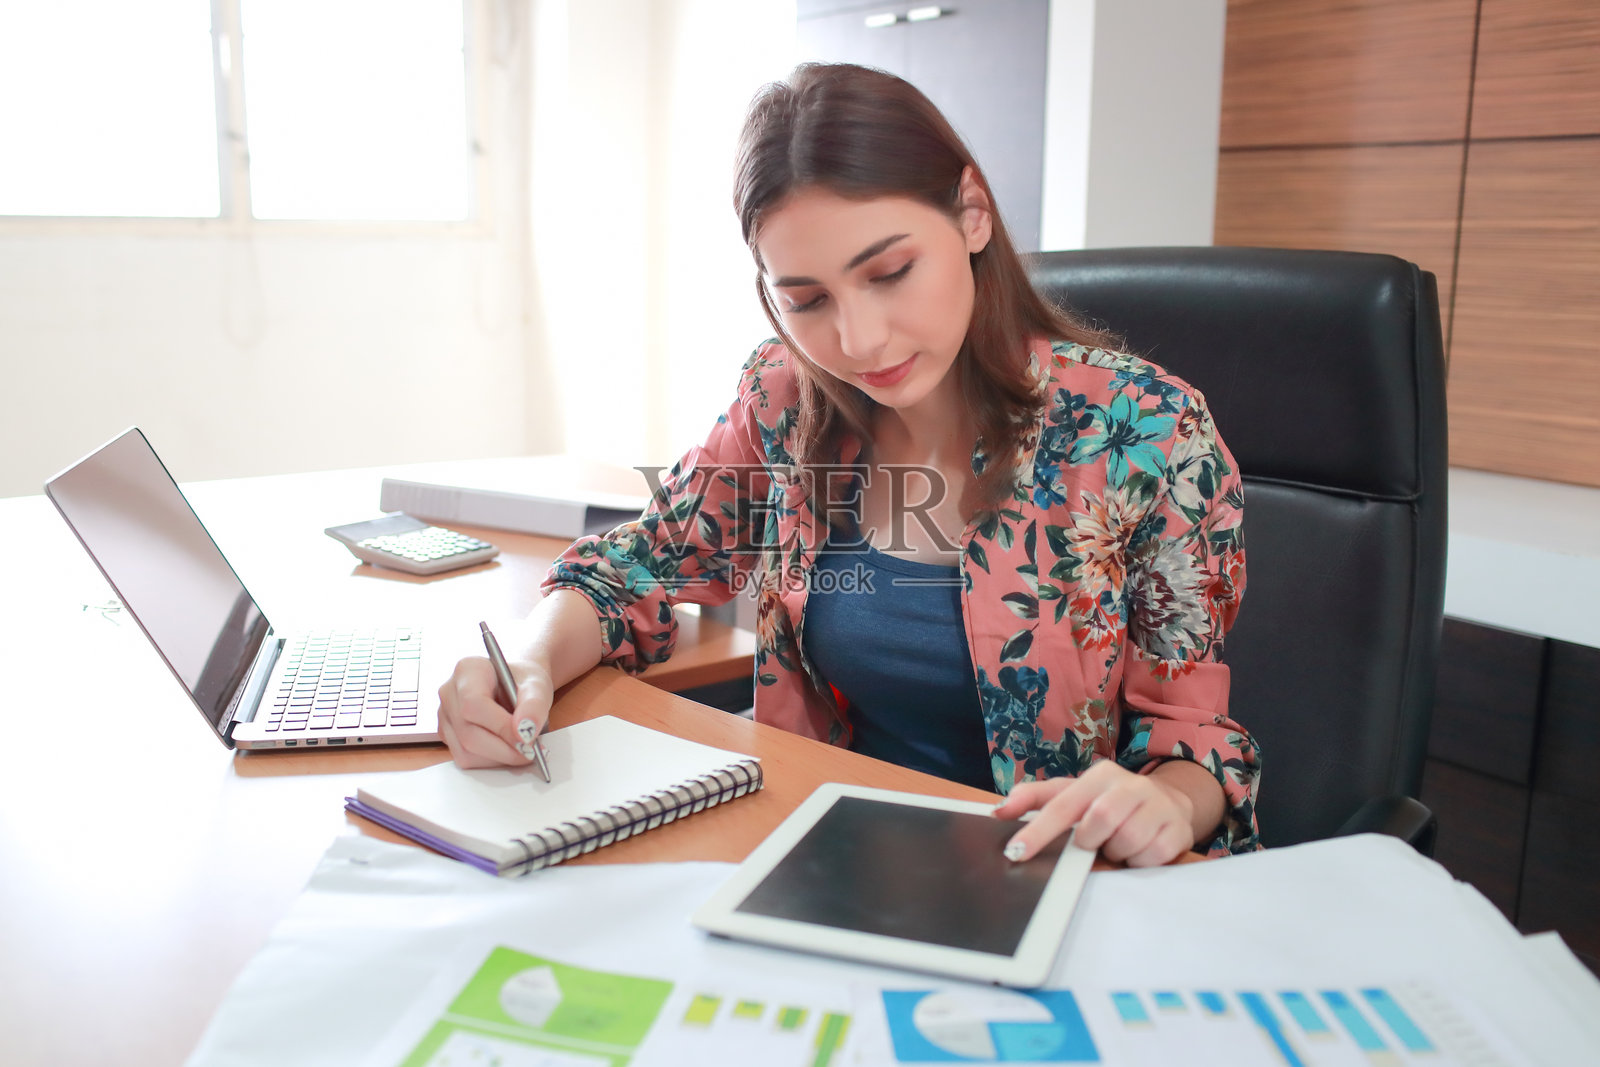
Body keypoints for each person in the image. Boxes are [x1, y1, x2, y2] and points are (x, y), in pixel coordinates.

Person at [439, 62, 1260, 864]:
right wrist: (526, 664)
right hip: (822, 857)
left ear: (972, 213)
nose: (858, 341)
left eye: (891, 271)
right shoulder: (786, 399)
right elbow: (635, 571)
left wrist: (1164, 800)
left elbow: (1192, 742)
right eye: (807, 301)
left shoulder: (1142, 430)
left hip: (1052, 884)